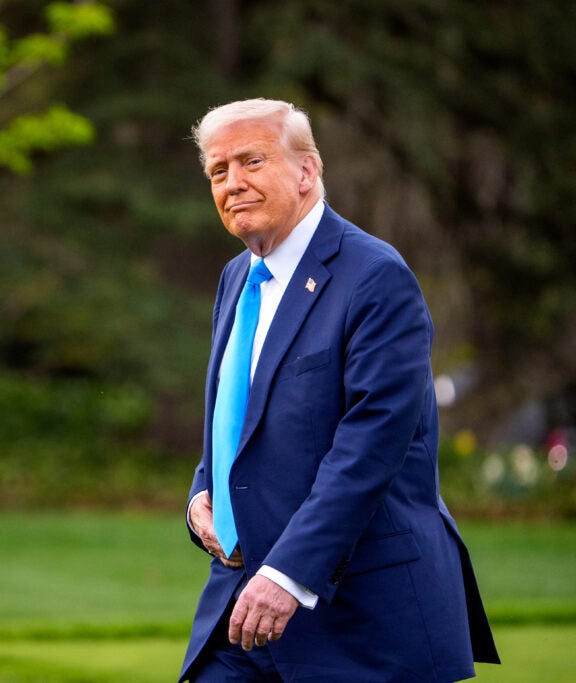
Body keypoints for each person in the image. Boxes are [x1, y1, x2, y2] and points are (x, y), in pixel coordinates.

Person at [179, 98, 499, 682]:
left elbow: (373, 443)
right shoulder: (235, 277)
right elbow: (240, 416)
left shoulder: (376, 276)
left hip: (360, 617)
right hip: (239, 607)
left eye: (251, 161)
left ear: (307, 170)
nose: (233, 183)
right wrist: (205, 492)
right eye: (218, 171)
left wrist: (288, 573)